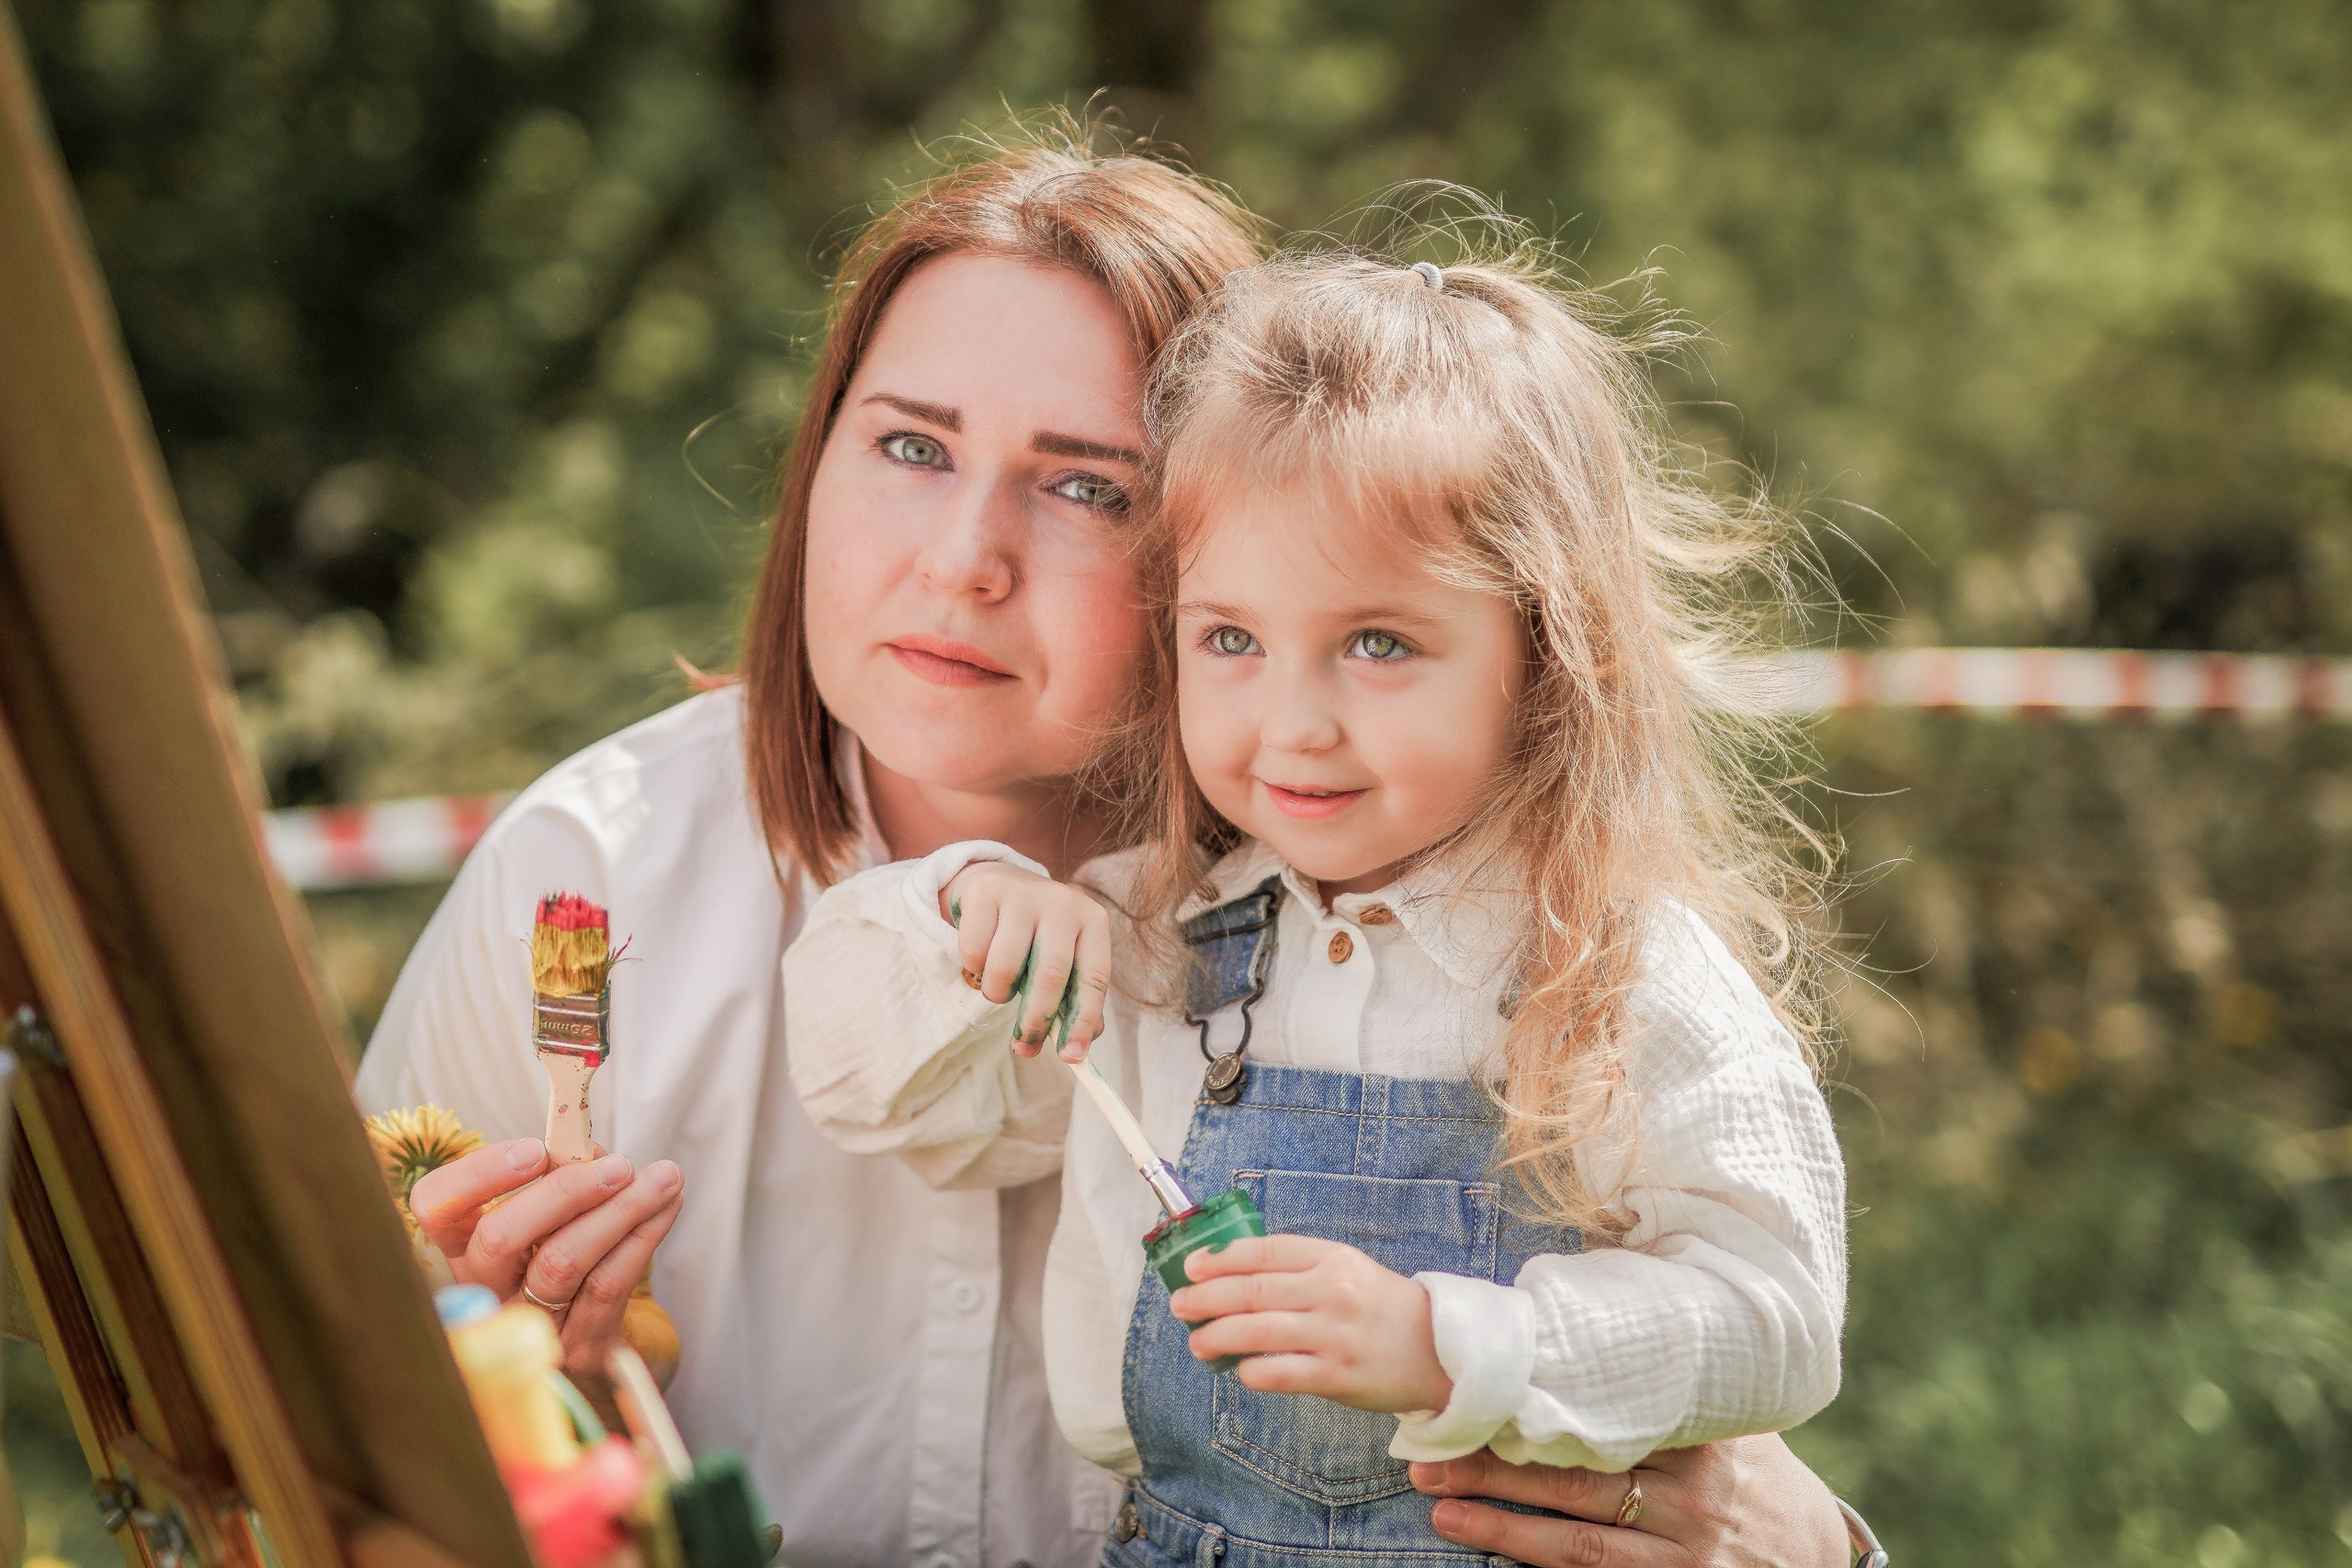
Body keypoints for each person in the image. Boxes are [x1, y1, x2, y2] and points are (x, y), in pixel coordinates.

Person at [355, 131, 1875, 1568]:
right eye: (907, 447)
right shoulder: (593, 871)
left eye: (1089, 486)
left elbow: (1734, 1318)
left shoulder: (1426, 934)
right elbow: (331, 1434)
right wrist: (486, 1401)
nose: (964, 557)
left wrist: (1809, 1543)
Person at [784, 243, 1845, 1566]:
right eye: (1231, 640)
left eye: (1378, 644)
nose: (1292, 725)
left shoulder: (1615, 969)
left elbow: (1778, 1312)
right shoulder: (1166, 943)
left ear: (1547, 649)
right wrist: (973, 907)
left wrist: (1447, 1342)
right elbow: (861, 1084)